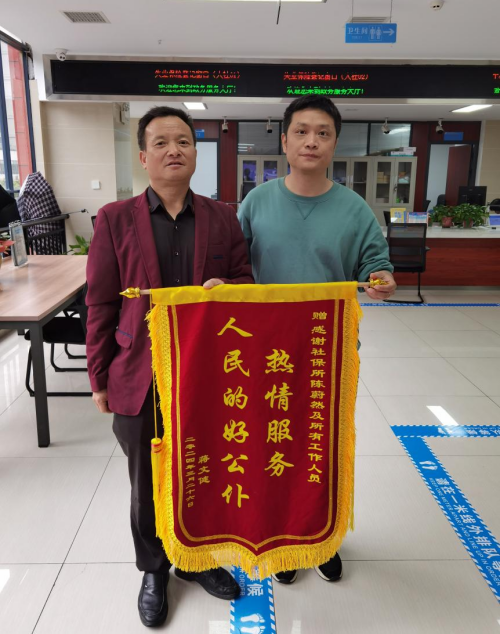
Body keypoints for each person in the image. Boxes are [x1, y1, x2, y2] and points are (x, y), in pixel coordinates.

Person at [86, 106, 253, 628]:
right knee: (147, 480)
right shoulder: (115, 218)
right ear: (143, 157)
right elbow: (100, 302)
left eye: (183, 141)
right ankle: (154, 569)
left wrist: (230, 289)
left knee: (203, 470)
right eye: (160, 142)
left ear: (196, 153)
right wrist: (98, 377)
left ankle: (195, 559)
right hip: (140, 373)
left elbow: (247, 282)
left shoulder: (223, 217)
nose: (173, 150)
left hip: (206, 374)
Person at [238, 95, 396, 586]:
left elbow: (376, 262)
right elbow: (235, 266)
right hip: (266, 353)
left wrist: (383, 278)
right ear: (284, 140)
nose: (312, 141)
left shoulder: (354, 209)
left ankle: (323, 537)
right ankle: (282, 538)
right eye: (302, 131)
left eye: (323, 133)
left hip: (328, 352)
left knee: (321, 448)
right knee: (271, 445)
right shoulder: (256, 202)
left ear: (334, 143)